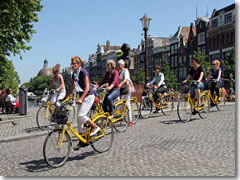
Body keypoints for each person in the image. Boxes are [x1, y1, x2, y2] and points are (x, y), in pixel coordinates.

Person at [62, 56, 100, 150]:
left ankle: (95, 127)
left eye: (74, 63)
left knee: (81, 116)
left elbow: (87, 87)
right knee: (79, 121)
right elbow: (71, 88)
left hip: (88, 96)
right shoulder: (74, 74)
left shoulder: (83, 72)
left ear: (79, 64)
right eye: (72, 64)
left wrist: (81, 99)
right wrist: (63, 99)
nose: (72, 65)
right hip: (82, 97)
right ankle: (81, 140)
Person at [118, 59, 135, 126]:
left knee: (127, 103)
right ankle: (121, 116)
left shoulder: (126, 71)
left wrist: (120, 84)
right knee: (119, 102)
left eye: (119, 64)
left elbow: (126, 79)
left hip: (127, 88)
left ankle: (130, 120)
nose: (118, 66)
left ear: (122, 65)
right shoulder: (119, 72)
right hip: (122, 89)